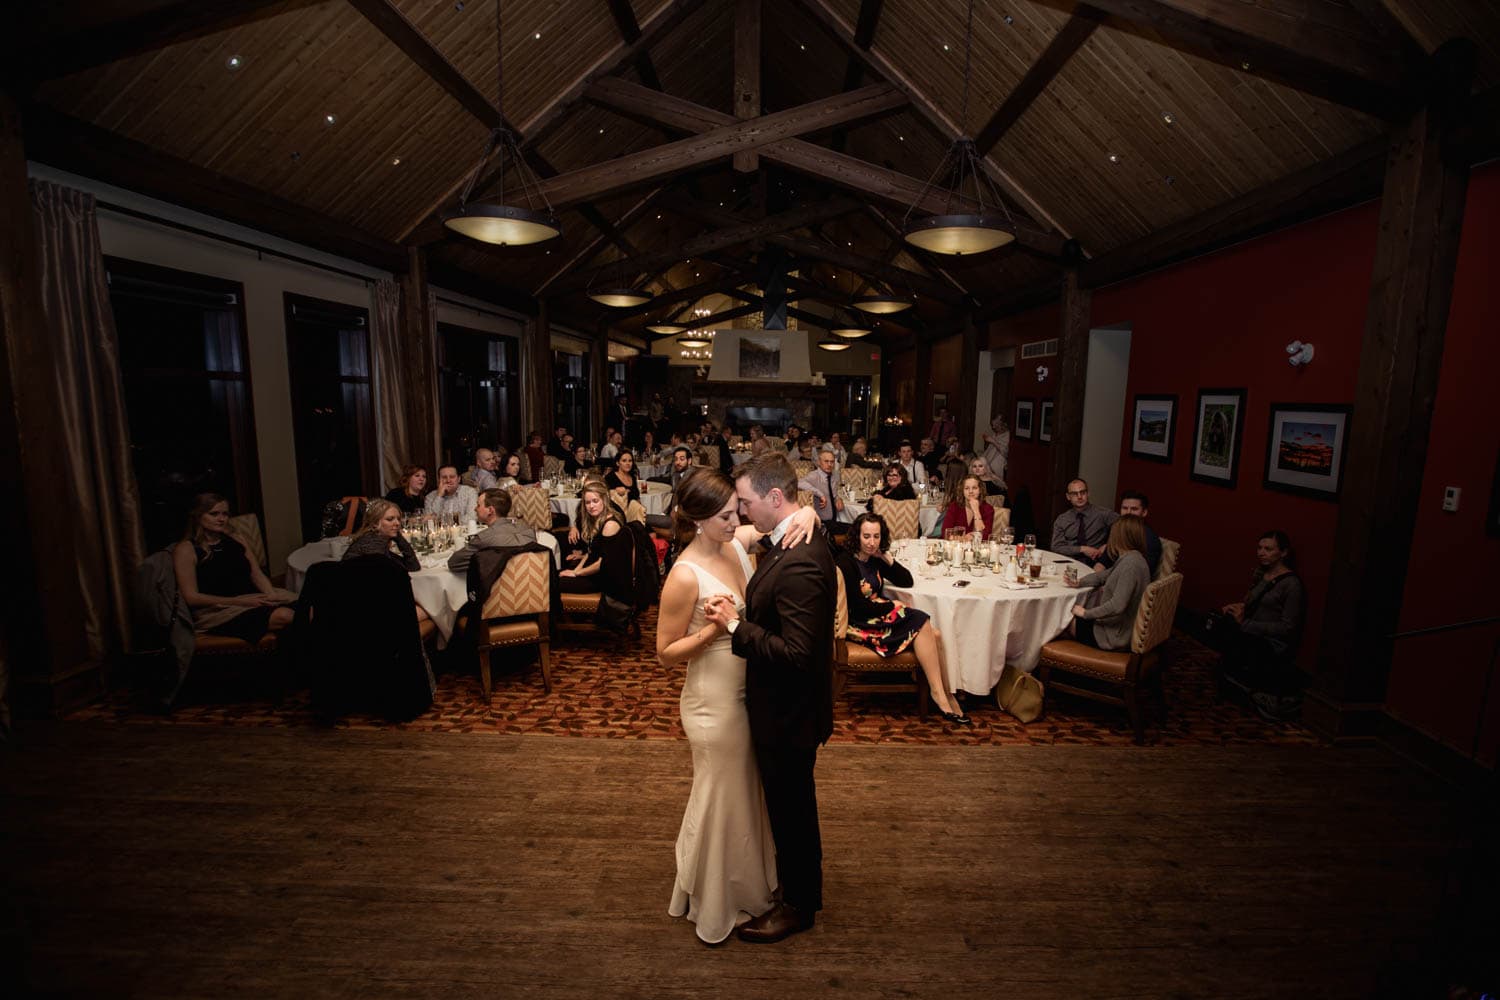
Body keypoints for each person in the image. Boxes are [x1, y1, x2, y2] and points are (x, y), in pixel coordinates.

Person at [657, 468, 819, 944]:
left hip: (751, 694)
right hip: (712, 701)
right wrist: (713, 630)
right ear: (702, 519)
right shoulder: (684, 575)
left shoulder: (734, 544)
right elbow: (664, 654)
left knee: (745, 793)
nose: (738, 519)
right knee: (720, 793)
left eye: (738, 510)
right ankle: (713, 897)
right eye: (727, 515)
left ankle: (749, 881)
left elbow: (783, 515)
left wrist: (808, 509)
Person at [704, 454, 837, 944]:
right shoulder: (794, 535)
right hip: (788, 709)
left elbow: (797, 655)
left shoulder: (799, 561)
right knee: (793, 807)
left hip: (789, 713)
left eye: (747, 502)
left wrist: (736, 627)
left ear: (776, 499)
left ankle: (798, 906)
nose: (741, 512)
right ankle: (800, 890)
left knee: (793, 811)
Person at [835, 513, 970, 724]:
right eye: (867, 536)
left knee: (935, 634)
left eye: (876, 536)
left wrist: (887, 558)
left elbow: (906, 581)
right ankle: (939, 695)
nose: (872, 543)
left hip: (877, 615)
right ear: (857, 537)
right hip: (861, 623)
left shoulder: (874, 559)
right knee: (921, 620)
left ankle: (945, 694)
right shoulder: (846, 562)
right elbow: (857, 607)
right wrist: (892, 605)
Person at [1198, 531, 1306, 720]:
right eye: (1260, 548)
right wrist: (1237, 608)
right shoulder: (1261, 573)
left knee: (1230, 641)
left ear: (1283, 553)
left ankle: (1252, 691)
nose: (1261, 553)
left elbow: (1288, 628)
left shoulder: (1291, 584)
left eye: (1268, 549)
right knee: (1214, 624)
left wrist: (1246, 624)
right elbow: (1252, 603)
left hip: (1271, 643)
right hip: (1250, 630)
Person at [173, 493, 296, 641]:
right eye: (214, 514)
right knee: (286, 616)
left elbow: (255, 572)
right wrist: (240, 602)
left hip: (252, 597)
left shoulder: (236, 538)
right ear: (198, 516)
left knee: (310, 608)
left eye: (225, 514)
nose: (222, 518)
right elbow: (191, 597)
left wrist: (271, 595)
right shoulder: (186, 549)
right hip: (218, 610)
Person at [1062, 515, 1151, 650]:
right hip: (1117, 628)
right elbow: (1103, 576)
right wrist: (1080, 582)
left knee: (1060, 621)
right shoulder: (1133, 557)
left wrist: (1086, 613)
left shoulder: (1131, 565)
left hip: (1112, 635)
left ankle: (1065, 666)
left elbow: (1117, 605)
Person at [558, 481, 634, 605]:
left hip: (602, 579)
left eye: (595, 501)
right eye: (587, 503)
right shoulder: (598, 519)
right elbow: (590, 552)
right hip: (592, 572)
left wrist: (577, 573)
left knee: (554, 582)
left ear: (604, 500)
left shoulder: (610, 525)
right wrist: (576, 569)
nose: (591, 506)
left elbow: (602, 563)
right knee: (556, 574)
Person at [448, 488, 537, 574]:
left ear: (490, 510)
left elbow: (453, 563)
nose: (475, 509)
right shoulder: (528, 531)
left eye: (478, 505)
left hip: (497, 588)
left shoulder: (483, 538)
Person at [1094, 491, 1162, 577]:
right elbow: (1103, 562)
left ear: (1144, 512)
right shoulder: (1116, 529)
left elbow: (1140, 575)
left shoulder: (1150, 540)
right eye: (1125, 508)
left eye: (1134, 509)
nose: (1128, 512)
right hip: (1108, 578)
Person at [344, 499, 420, 573]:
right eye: (390, 519)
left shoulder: (381, 540)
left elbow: (413, 566)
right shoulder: (370, 542)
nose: (397, 523)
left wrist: (398, 537)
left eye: (398, 519)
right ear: (375, 523)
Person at [1050, 477, 1116, 561]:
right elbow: (1056, 547)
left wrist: (1108, 545)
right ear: (1068, 496)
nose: (1079, 496)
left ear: (1088, 493)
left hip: (1096, 561)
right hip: (1069, 562)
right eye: (1074, 494)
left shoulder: (1104, 514)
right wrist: (1082, 549)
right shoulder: (1062, 519)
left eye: (1083, 492)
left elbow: (1126, 529)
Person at [798, 446, 846, 540]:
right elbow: (799, 483)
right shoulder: (814, 476)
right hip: (822, 524)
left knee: (855, 528)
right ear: (819, 462)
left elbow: (833, 493)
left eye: (832, 462)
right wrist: (819, 493)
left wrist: (838, 499)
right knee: (853, 530)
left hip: (833, 520)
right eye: (826, 461)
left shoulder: (833, 476)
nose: (829, 464)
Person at [646, 445, 695, 532]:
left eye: (682, 459)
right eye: (676, 459)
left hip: (682, 520)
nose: (678, 462)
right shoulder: (676, 475)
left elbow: (692, 503)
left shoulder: (693, 478)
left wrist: (676, 511)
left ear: (689, 461)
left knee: (643, 519)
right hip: (670, 514)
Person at [941, 474, 997, 540]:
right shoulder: (954, 506)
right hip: (956, 547)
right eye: (967, 488)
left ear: (980, 490)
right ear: (962, 491)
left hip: (977, 548)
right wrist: (967, 538)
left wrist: (976, 511)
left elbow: (985, 536)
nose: (970, 491)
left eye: (974, 488)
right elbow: (946, 532)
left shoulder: (988, 509)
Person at [981, 415, 1010, 489]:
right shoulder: (995, 434)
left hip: (998, 462)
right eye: (992, 425)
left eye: (996, 425)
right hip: (988, 461)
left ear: (1003, 424)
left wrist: (993, 441)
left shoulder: (1007, 435)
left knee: (993, 465)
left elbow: (1005, 452)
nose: (993, 427)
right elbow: (988, 451)